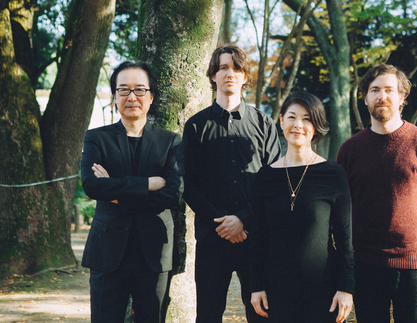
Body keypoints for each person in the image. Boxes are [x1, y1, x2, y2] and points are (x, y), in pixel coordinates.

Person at [336, 63, 417, 322]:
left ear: (402, 97)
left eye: (389, 90)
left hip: (416, 266)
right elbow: (341, 208)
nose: (382, 96)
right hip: (366, 264)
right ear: (365, 98)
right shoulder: (349, 150)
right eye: (375, 90)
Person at [182, 45, 281, 323]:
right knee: (209, 314)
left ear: (245, 76)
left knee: (262, 314)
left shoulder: (263, 124)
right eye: (223, 67)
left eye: (236, 68)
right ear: (213, 75)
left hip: (255, 238)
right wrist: (223, 223)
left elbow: (273, 181)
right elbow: (188, 183)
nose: (230, 74)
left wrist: (243, 219)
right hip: (212, 239)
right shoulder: (196, 126)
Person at [80, 61, 184, 323]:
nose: (131, 97)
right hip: (107, 251)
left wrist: (114, 191)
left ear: (151, 97)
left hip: (154, 251)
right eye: (123, 90)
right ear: (115, 96)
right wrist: (148, 184)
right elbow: (92, 186)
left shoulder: (170, 141)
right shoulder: (96, 138)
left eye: (139, 90)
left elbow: (174, 194)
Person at [249, 92, 354, 323]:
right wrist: (255, 286)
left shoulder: (333, 174)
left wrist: (346, 288)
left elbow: (345, 238)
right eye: (292, 117)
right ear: (281, 121)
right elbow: (257, 238)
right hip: (274, 292)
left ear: (316, 126)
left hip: (323, 291)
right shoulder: (265, 177)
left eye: (307, 119)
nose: (298, 125)